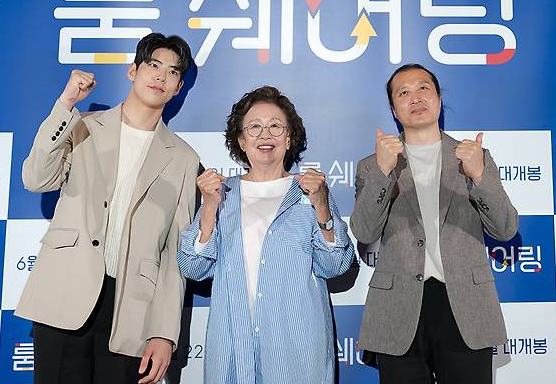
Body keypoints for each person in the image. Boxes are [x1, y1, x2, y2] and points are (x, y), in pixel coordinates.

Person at [15, 33, 200, 384]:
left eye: (173, 72)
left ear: (178, 88)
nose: (161, 76)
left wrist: (163, 332)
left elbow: (175, 252)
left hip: (132, 308)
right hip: (65, 291)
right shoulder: (83, 125)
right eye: (153, 65)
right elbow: (36, 179)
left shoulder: (185, 159)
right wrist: (65, 104)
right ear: (133, 71)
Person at [350, 64, 518, 383]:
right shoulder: (372, 165)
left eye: (423, 88)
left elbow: (505, 229)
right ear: (393, 109)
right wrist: (383, 174)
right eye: (404, 92)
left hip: (464, 308)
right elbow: (364, 231)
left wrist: (479, 175)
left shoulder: (473, 157)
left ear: (439, 99)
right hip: (397, 308)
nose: (415, 97)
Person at [178, 86, 354, 383]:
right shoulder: (222, 194)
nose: (265, 135)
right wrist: (208, 207)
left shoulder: (310, 192)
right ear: (241, 140)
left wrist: (322, 206)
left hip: (296, 349)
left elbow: (335, 265)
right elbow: (193, 267)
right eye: (254, 127)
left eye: (275, 126)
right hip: (233, 347)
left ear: (289, 138)